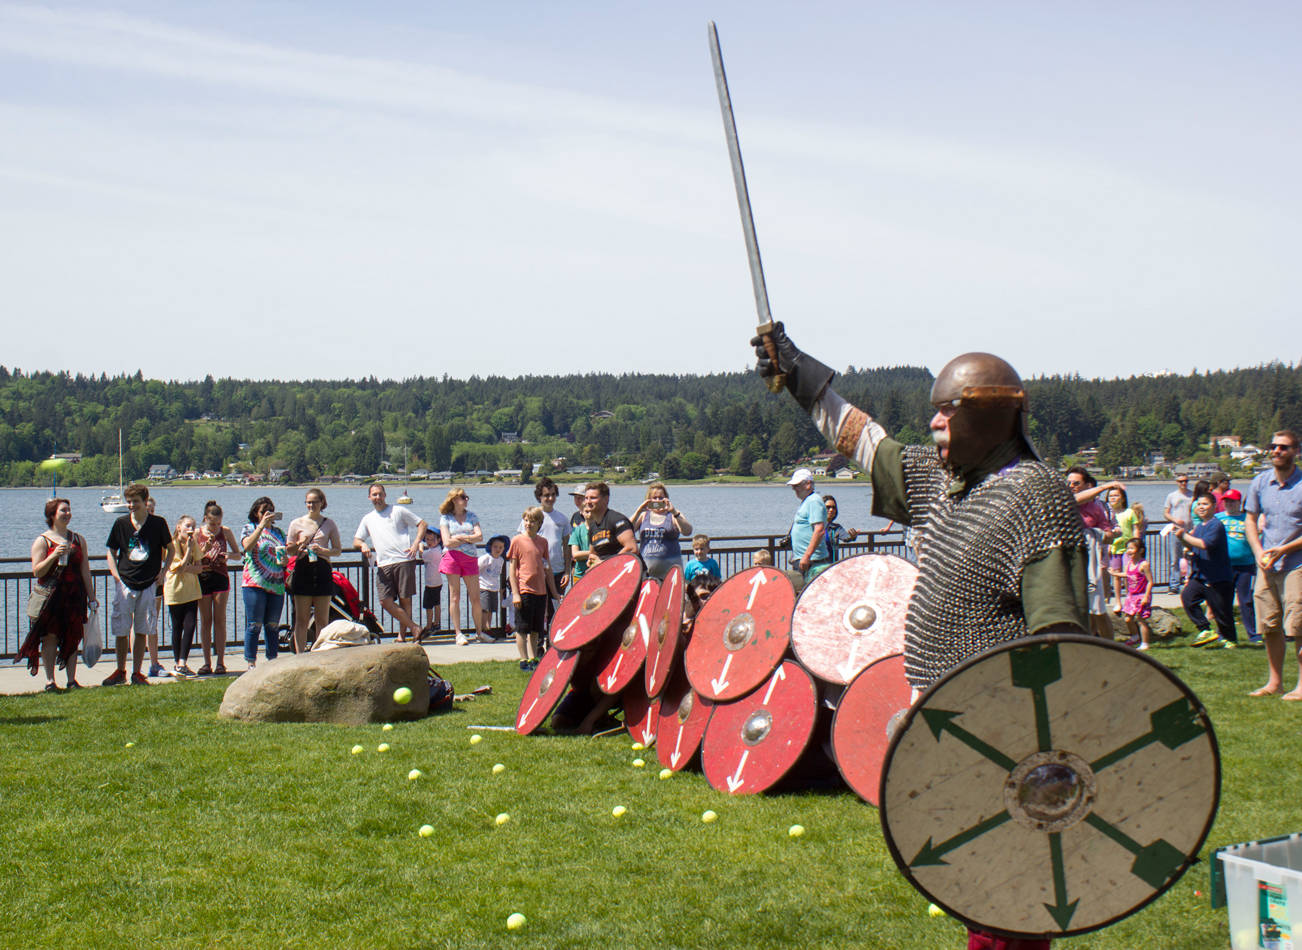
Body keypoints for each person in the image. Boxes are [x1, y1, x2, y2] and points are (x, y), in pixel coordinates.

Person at [753, 329, 1087, 950]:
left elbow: (1059, 642)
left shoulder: (1037, 497)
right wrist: (797, 372)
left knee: (1007, 893)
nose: (933, 422)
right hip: (942, 710)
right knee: (972, 883)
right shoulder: (946, 486)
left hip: (1004, 727)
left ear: (985, 417)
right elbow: (864, 439)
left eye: (946, 411)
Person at [1246, 430, 1302, 698]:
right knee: (1269, 624)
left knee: (1299, 625)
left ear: (1296, 452)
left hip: (1297, 563)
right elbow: (1250, 519)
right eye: (1274, 447)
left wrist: (1284, 549)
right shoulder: (1259, 482)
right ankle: (1274, 683)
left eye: (1284, 447)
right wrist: (1258, 551)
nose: (1277, 451)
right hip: (1267, 564)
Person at [19, 498, 94, 691]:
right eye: (63, 511)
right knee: (50, 637)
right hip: (52, 596)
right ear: (52, 515)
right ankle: (50, 681)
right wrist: (53, 555)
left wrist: (92, 597)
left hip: (74, 595)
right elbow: (37, 571)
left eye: (69, 510)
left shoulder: (78, 539)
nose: (67, 514)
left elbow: (85, 570)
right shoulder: (42, 540)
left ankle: (71, 680)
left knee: (73, 636)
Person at [103, 484, 173, 686]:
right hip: (125, 582)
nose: (132, 505)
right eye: (129, 501)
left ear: (145, 501)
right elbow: (111, 551)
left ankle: (137, 672)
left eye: (136, 501)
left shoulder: (158, 523)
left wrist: (163, 572)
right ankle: (120, 670)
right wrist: (116, 575)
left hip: (149, 582)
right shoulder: (121, 523)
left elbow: (170, 549)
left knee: (143, 628)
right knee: (121, 629)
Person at [354, 483, 426, 643]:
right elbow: (356, 539)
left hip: (404, 559)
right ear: (369, 497)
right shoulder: (368, 518)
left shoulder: (398, 511)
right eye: (374, 495)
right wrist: (363, 545)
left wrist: (416, 543)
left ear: (385, 495)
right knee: (385, 601)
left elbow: (422, 524)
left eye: (380, 494)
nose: (377, 498)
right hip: (383, 563)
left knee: (405, 599)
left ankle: (403, 635)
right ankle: (415, 628)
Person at [1173, 491, 1237, 650]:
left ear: (1214, 507)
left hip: (1217, 576)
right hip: (1200, 574)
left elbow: (1204, 544)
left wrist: (1184, 536)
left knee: (1222, 611)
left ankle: (1230, 639)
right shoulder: (1199, 526)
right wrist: (1184, 541)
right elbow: (1194, 545)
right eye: (1199, 504)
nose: (1201, 507)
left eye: (1205, 504)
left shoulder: (1216, 525)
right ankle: (1205, 629)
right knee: (1188, 598)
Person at [1065, 468, 1120, 639]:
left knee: (1097, 609)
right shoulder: (1064, 501)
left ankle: (1109, 648)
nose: (1071, 486)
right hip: (1068, 562)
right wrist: (1107, 486)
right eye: (1068, 483)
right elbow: (1076, 499)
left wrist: (1101, 534)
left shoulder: (1096, 507)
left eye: (1076, 483)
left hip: (1090, 563)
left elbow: (1108, 536)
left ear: (1087, 485)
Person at [286, 488, 343, 653]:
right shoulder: (296, 523)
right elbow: (289, 550)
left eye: (315, 502)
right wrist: (299, 545)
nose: (311, 505)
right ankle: (300, 654)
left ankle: (320, 653)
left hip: (322, 571)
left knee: (322, 620)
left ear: (322, 503)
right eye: (309, 502)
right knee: (301, 619)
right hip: (303, 570)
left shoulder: (329, 523)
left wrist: (322, 550)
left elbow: (337, 550)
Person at [508, 507, 561, 671]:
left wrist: (554, 593)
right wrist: (515, 593)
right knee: (522, 628)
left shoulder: (543, 542)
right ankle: (523, 659)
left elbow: (547, 569)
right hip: (524, 590)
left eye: (532, 521)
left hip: (541, 592)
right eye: (526, 520)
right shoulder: (517, 540)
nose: (528, 524)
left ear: (539, 523)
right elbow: (512, 570)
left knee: (536, 629)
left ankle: (533, 658)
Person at [239, 496, 286, 671]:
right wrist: (260, 526)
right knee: (254, 624)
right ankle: (251, 662)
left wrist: (285, 559)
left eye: (271, 511)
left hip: (276, 584)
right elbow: (247, 547)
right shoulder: (249, 528)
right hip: (255, 583)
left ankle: (272, 659)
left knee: (272, 625)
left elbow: (283, 555)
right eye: (264, 511)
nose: (268, 514)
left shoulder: (279, 533)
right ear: (256, 513)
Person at [437, 487, 487, 645]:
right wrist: (468, 538)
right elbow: (446, 542)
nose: (466, 500)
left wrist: (460, 537)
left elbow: (479, 536)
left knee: (475, 597)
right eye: (463, 497)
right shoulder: (445, 518)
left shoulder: (472, 516)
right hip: (452, 558)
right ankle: (458, 633)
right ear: (454, 500)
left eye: (466, 497)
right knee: (455, 596)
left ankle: (479, 632)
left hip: (470, 558)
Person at [195, 500, 238, 676]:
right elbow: (193, 555)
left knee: (219, 620)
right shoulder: (197, 533)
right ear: (205, 518)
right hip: (203, 578)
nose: (215, 527)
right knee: (205, 621)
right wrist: (204, 551)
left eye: (218, 523)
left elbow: (238, 554)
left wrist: (227, 556)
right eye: (212, 523)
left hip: (220, 577)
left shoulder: (225, 532)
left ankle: (220, 662)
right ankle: (206, 662)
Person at [521, 477, 572, 619]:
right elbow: (523, 543)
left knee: (555, 609)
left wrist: (567, 571)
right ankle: (537, 638)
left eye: (553, 495)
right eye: (546, 495)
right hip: (536, 571)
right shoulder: (531, 516)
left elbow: (567, 547)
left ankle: (551, 640)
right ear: (539, 497)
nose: (550, 498)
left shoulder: (562, 519)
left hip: (557, 571)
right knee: (536, 608)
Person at [164, 515, 204, 676]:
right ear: (178, 527)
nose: (190, 529)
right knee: (177, 627)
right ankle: (177, 662)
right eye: (187, 526)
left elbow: (199, 568)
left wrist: (187, 565)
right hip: (175, 591)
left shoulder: (193, 544)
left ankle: (183, 662)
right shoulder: (171, 545)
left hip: (192, 591)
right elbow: (178, 568)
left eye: (193, 526)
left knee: (190, 626)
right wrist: (188, 553)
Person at [1217, 489, 1258, 644]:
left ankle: (1253, 634)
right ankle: (1224, 634)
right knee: (1223, 601)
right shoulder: (1218, 518)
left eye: (1232, 501)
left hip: (1245, 566)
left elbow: (1257, 538)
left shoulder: (1247, 519)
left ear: (1239, 503)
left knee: (1246, 601)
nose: (1229, 504)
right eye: (1226, 501)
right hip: (1224, 567)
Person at [628, 482, 693, 579]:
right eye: (654, 498)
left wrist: (674, 512)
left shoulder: (673, 515)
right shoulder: (643, 515)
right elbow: (626, 531)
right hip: (647, 573)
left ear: (666, 498)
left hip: (670, 573)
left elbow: (687, 531)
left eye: (661, 498)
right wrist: (638, 511)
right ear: (649, 499)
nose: (658, 500)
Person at [1108, 538, 1153, 651]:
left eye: (1132, 548)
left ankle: (1145, 643)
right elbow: (1128, 574)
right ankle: (1135, 637)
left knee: (1140, 619)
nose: (1129, 551)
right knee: (1128, 619)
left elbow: (1150, 582)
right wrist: (1114, 573)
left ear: (1140, 550)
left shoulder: (1144, 564)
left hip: (1141, 595)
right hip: (1131, 596)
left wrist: (1146, 597)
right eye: (1128, 548)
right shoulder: (1129, 564)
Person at [787, 469, 830, 583]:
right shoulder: (808, 501)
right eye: (793, 486)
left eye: (796, 486)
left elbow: (819, 530)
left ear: (808, 484)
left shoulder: (814, 501)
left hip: (812, 562)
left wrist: (807, 556)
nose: (794, 489)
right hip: (806, 561)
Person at [582, 482, 636, 567]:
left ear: (606, 499)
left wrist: (604, 563)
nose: (588, 502)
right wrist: (591, 561)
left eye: (593, 498)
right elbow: (593, 554)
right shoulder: (592, 527)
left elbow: (632, 548)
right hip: (607, 572)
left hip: (627, 571)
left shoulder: (616, 520)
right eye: (586, 498)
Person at [1105, 486, 1142, 610]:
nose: (1113, 498)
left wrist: (1136, 544)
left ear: (1122, 498)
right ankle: (1118, 602)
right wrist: (1108, 545)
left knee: (1128, 574)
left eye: (1116, 495)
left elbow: (1135, 529)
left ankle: (1130, 598)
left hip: (1128, 549)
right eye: (1111, 496)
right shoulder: (1108, 514)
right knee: (1116, 575)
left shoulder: (1129, 512)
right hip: (1114, 548)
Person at [1163, 474, 1193, 592]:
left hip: (1190, 530)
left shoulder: (1192, 495)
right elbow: (1166, 513)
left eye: (1185, 481)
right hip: (1175, 530)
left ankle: (1189, 582)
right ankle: (1174, 585)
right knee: (1175, 559)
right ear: (1177, 482)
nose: (1183, 483)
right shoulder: (1172, 496)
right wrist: (1175, 520)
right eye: (1181, 481)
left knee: (1190, 557)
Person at [478, 536, 509, 640]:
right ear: (490, 547)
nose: (498, 549)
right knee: (484, 609)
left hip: (494, 588)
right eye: (495, 547)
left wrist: (500, 588)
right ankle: (483, 629)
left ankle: (488, 627)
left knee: (491, 609)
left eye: (500, 547)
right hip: (483, 586)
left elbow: (498, 575)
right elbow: (475, 570)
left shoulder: (501, 560)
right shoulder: (485, 558)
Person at [420, 527, 444, 636]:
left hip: (430, 583)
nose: (429, 542)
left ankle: (429, 626)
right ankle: (437, 623)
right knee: (437, 603)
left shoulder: (431, 553)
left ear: (438, 540)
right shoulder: (439, 549)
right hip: (438, 581)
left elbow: (422, 555)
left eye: (431, 540)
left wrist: (420, 546)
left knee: (428, 606)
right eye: (427, 539)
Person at [822, 494, 859, 562]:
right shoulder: (814, 526)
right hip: (816, 565)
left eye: (834, 507)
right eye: (828, 507)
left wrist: (852, 536)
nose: (831, 510)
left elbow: (846, 537)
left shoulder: (836, 528)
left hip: (832, 565)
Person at [569, 497, 592, 585]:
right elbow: (576, 554)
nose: (589, 514)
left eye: (591, 511)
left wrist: (584, 554)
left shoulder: (601, 529)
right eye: (586, 511)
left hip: (597, 572)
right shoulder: (577, 530)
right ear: (582, 512)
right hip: (580, 574)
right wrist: (594, 553)